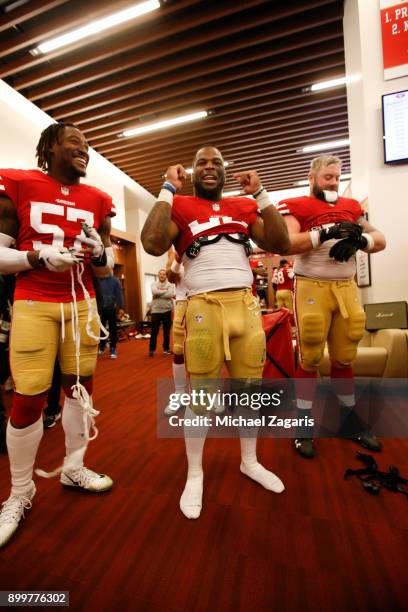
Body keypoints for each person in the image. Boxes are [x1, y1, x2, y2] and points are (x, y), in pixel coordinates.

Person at [141, 146, 290, 519]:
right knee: (202, 397)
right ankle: (195, 472)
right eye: (201, 163)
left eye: (216, 163)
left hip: (246, 305)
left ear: (225, 171)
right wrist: (167, 189)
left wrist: (260, 193)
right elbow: (152, 243)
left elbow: (281, 243)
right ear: (191, 171)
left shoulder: (242, 207)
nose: (209, 168)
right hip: (203, 306)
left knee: (249, 392)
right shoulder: (182, 205)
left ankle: (249, 461)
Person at [0, 122, 115, 549]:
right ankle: (19, 491)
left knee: (80, 391)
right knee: (29, 397)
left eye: (87, 146)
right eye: (75, 143)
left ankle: (73, 466)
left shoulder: (98, 199)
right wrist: (35, 256)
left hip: (81, 304)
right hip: (34, 301)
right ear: (50, 148)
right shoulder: (18, 182)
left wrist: (100, 251)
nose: (84, 150)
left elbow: (102, 267)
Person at [276, 155, 386, 459]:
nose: (334, 183)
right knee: (310, 355)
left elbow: (380, 239)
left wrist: (360, 240)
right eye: (327, 177)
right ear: (312, 177)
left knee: (344, 356)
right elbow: (286, 243)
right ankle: (303, 425)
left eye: (337, 177)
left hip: (346, 288)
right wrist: (323, 234)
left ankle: (350, 421)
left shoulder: (350, 207)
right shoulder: (296, 204)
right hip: (312, 285)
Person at [163, 250, 188, 415]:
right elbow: (171, 276)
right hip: (183, 301)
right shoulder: (174, 250)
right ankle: (180, 394)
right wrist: (177, 259)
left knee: (211, 348)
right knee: (178, 350)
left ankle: (209, 393)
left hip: (209, 300)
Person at [96, 271, 125, 359]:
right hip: (99, 309)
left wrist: (121, 307)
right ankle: (102, 345)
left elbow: (119, 294)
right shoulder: (97, 280)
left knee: (113, 329)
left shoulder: (115, 280)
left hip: (111, 308)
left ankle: (113, 348)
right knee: (100, 329)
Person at [148, 269, 175, 357]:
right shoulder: (153, 284)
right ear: (158, 275)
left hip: (167, 310)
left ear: (166, 276)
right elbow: (154, 292)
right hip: (156, 311)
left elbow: (170, 294)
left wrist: (159, 293)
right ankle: (152, 350)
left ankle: (166, 349)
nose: (162, 276)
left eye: (164, 274)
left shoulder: (170, 284)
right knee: (154, 332)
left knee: (166, 332)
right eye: (160, 274)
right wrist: (165, 291)